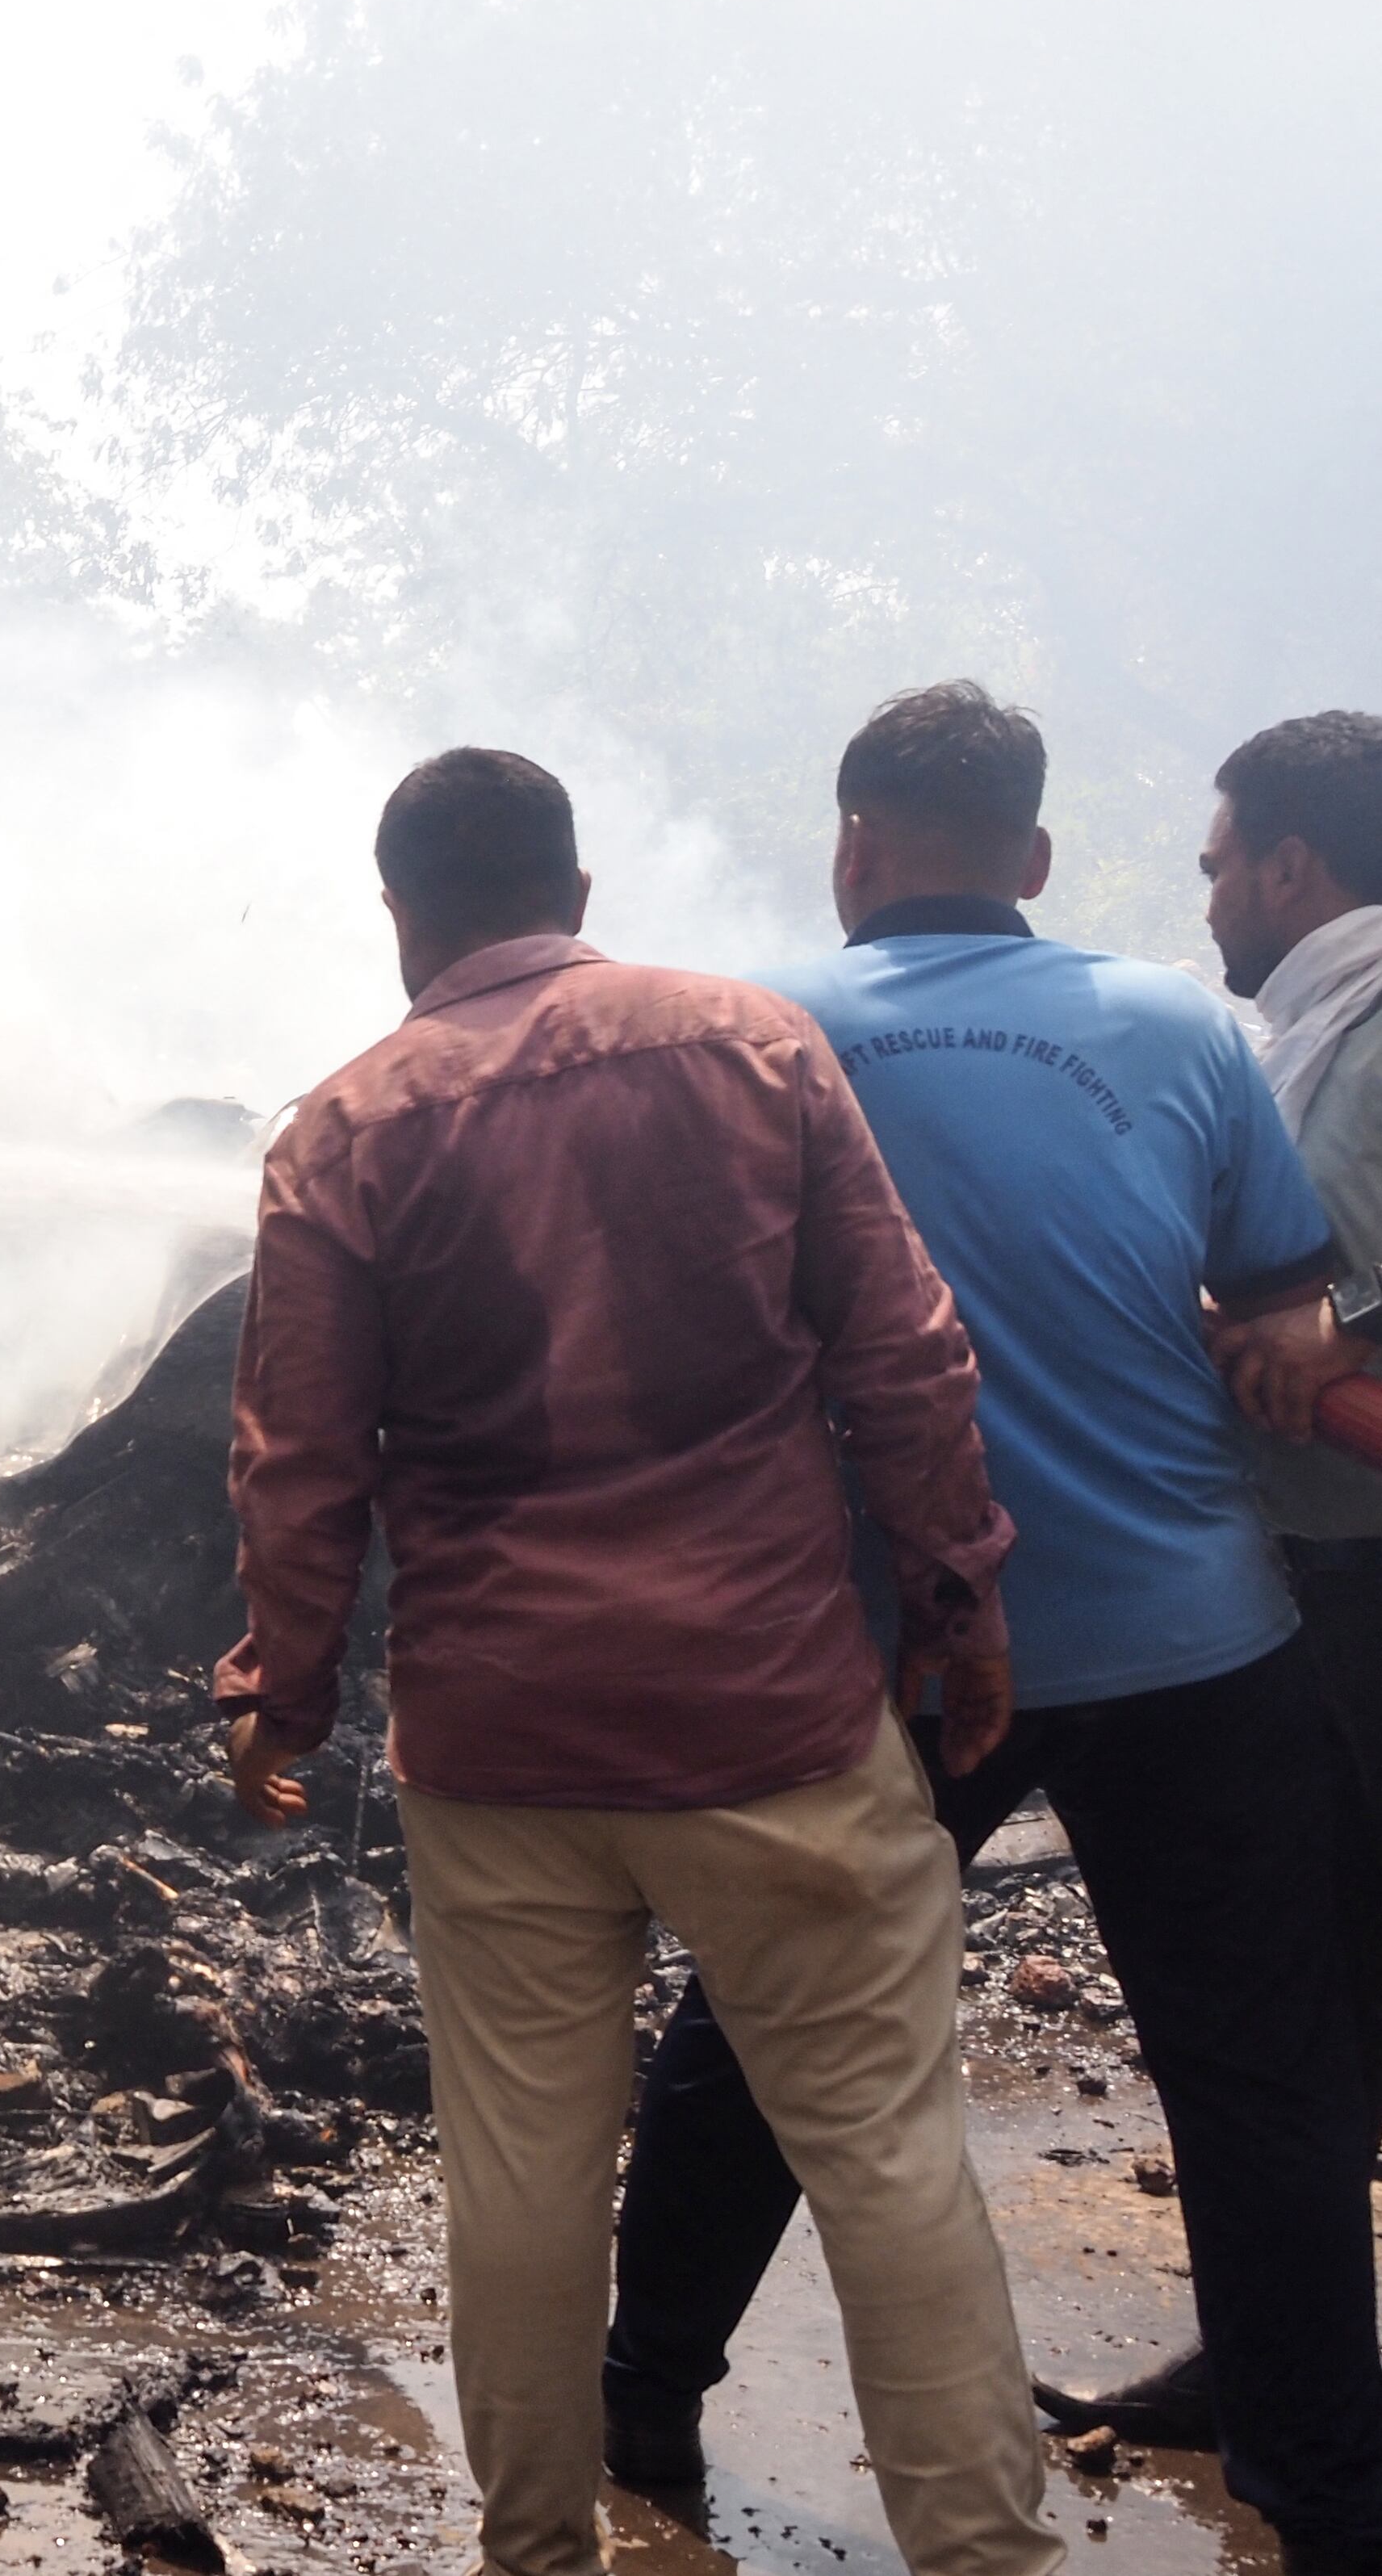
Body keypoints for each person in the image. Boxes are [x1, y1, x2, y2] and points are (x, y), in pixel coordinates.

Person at [223, 746, 1056, 2576]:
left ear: (398, 916)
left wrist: (280, 1700)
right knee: (885, 2154)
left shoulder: (342, 1130)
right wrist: (957, 1607)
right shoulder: (752, 1048)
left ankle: (536, 2549)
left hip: (502, 1749)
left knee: (519, 2176)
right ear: (577, 895)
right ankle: (987, 2555)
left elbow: (299, 1469)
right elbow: (905, 1361)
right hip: (769, 1718)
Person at [599, 684, 1382, 2576]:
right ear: (1034, 859)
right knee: (1263, 2074)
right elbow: (1283, 1318)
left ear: (850, 843)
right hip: (1199, 1630)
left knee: (769, 2024)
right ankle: (1329, 2496)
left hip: (897, 1648)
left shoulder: (754, 1037)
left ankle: (639, 2403)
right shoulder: (1190, 1028)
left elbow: (684, 1347)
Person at [1070, 712, 1382, 2445]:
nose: (1202, 902)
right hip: (1300, 1564)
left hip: (1364, 1570)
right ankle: (1277, 2357)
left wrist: (1344, 1323)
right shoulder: (1305, 1031)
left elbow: (1339, 1289)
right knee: (1303, 1988)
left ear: (1287, 861)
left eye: (1214, 864)